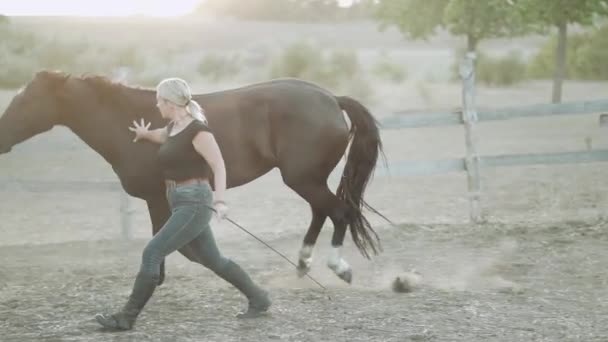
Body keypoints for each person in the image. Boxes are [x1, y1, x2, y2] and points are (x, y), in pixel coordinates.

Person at [95, 77, 271, 331]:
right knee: (214, 259)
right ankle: (259, 298)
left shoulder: (199, 130)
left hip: (195, 201)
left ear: (169, 102)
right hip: (179, 200)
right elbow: (162, 137)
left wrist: (220, 200)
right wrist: (145, 134)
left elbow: (218, 165)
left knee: (152, 252)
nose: (157, 106)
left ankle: (126, 317)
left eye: (159, 101)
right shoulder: (174, 127)